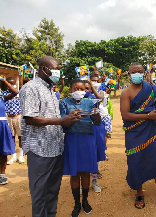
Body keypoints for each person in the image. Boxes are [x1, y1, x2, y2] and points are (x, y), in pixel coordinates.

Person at [19, 56, 81, 217]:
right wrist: (61, 120)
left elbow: (51, 117)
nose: (58, 72)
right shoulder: (31, 88)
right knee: (40, 193)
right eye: (55, 69)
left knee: (53, 191)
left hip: (55, 148)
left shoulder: (50, 89)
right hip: (39, 150)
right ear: (43, 69)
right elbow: (30, 118)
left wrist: (68, 118)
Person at [120, 62, 156, 209]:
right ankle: (139, 193)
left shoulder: (151, 88)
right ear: (129, 74)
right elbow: (126, 115)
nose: (137, 74)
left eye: (140, 71)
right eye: (134, 72)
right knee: (135, 162)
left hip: (151, 131)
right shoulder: (125, 93)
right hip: (134, 133)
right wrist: (148, 115)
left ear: (144, 73)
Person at [60, 79, 101, 216]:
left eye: (82, 89)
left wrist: (97, 115)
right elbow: (62, 124)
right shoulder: (64, 103)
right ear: (70, 90)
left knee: (85, 172)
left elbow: (97, 122)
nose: (79, 91)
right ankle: (77, 204)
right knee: (74, 173)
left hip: (87, 139)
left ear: (86, 90)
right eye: (76, 89)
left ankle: (85, 201)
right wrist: (70, 119)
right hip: (72, 140)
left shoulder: (90, 102)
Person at [83, 79, 105, 192]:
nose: (85, 91)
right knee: (84, 155)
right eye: (84, 88)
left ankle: (94, 181)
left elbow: (101, 98)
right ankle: (83, 183)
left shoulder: (97, 96)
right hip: (83, 129)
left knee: (96, 153)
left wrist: (92, 86)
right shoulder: (77, 101)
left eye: (88, 88)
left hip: (96, 128)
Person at [0, 77, 25, 164]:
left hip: (18, 116)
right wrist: (4, 82)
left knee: (21, 136)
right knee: (11, 137)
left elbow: (16, 91)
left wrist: (7, 82)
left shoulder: (18, 93)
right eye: (9, 83)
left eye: (12, 83)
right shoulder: (3, 94)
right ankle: (13, 156)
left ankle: (21, 155)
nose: (11, 85)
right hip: (8, 117)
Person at [0, 77, 18, 184]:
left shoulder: (2, 97)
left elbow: (15, 92)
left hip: (2, 125)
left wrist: (4, 81)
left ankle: (2, 175)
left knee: (3, 152)